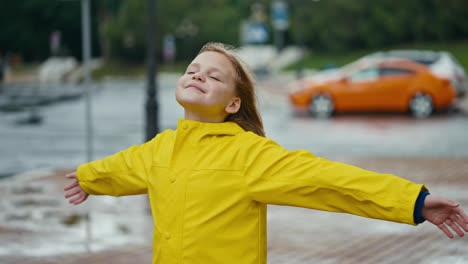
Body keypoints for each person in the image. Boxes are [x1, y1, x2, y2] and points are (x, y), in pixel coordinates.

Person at [64, 42, 468, 264]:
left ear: (233, 104)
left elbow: (328, 181)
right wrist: (87, 178)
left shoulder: (249, 156)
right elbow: (120, 168)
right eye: (192, 69)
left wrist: (414, 201)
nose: (197, 74)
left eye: (213, 74)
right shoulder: (159, 149)